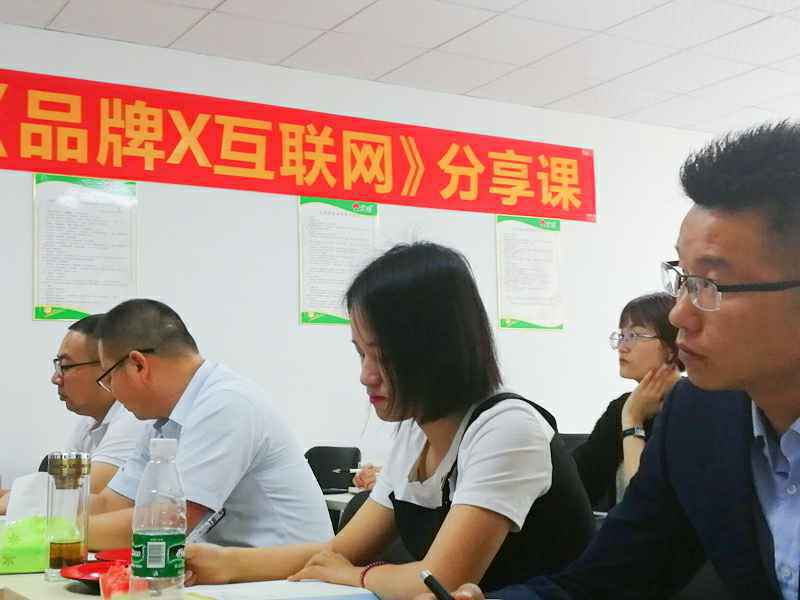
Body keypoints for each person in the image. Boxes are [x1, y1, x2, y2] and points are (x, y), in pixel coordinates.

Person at [418, 122, 800, 600]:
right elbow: (603, 584)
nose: (679, 314)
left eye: (712, 285)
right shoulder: (700, 418)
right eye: (683, 278)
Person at [185, 242, 594, 599]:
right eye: (360, 353)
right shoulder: (416, 434)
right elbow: (341, 550)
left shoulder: (507, 428)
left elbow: (439, 580)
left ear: (437, 350)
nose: (366, 375)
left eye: (382, 356)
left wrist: (356, 576)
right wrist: (222, 563)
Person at [86, 299, 333, 550]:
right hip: (233, 567)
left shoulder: (226, 403)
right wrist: (61, 515)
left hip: (288, 571)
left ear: (139, 365)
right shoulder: (164, 419)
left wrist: (69, 533)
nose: (111, 390)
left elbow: (168, 523)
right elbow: (111, 504)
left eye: (109, 377)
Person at [0, 314, 147, 514]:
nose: (55, 378)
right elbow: (56, 487)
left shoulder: (135, 419)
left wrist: (10, 501)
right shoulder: (90, 421)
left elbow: (79, 495)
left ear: (107, 366)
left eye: (65, 367)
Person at [572, 292, 682, 510]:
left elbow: (646, 506)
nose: (623, 347)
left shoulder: (693, 406)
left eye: (635, 335)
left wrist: (632, 420)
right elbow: (579, 484)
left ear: (671, 348)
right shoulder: (622, 406)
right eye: (622, 336)